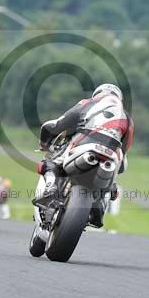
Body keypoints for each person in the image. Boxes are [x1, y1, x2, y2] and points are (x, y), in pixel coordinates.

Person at [34, 83, 134, 226]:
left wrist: (44, 144)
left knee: (51, 163)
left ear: (97, 94)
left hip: (84, 142)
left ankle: (51, 188)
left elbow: (58, 124)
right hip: (111, 154)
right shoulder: (127, 118)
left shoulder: (87, 103)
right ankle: (99, 206)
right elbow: (124, 150)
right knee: (113, 181)